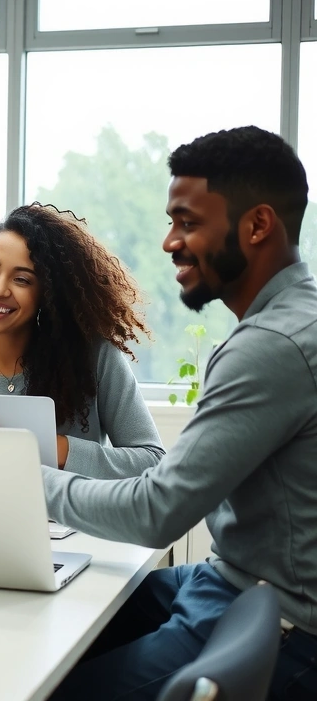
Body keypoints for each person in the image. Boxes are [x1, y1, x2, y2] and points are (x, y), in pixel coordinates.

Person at [42, 126, 317, 700]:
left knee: (48, 685)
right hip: (231, 577)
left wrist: (19, 475)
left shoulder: (273, 345)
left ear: (258, 225)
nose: (170, 242)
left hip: (273, 618)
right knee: (63, 616)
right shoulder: (295, 317)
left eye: (187, 223)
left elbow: (155, 512)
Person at [0, 203, 163, 478]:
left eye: (22, 279)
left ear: (47, 295)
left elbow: (153, 464)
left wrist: (43, 446)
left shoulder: (95, 359)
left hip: (76, 523)